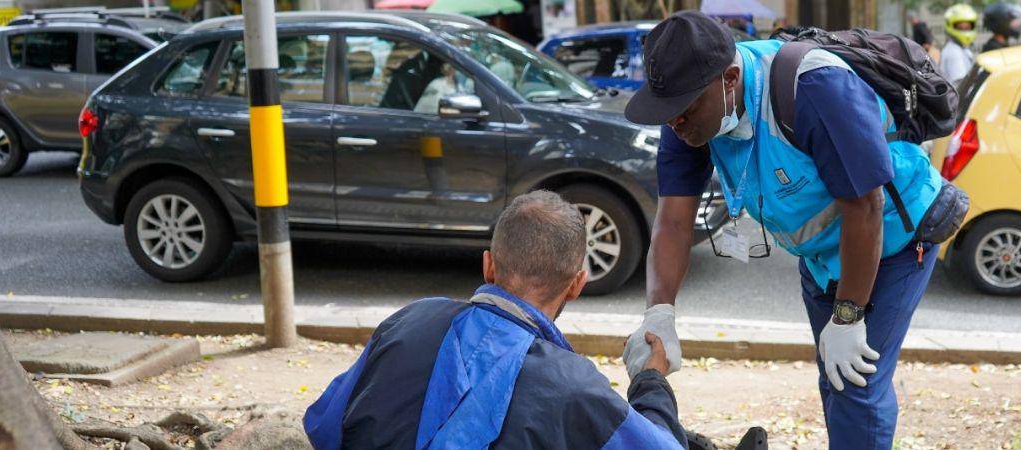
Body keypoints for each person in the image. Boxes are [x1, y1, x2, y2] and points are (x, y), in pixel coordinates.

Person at [621, 11, 944, 450]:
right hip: (821, 253)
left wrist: (848, 315)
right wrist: (659, 313)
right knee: (834, 375)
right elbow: (675, 220)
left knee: (856, 385)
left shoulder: (814, 88)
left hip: (892, 238)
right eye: (668, 112)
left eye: (684, 109)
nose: (675, 123)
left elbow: (866, 205)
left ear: (730, 79)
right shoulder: (689, 113)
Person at [303, 191, 687, 450]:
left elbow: (323, 423)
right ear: (576, 285)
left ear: (488, 265)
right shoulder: (576, 389)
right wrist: (649, 381)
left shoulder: (409, 321)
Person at [939, 4, 978, 87]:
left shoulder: (962, 48)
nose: (964, 30)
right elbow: (962, 86)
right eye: (960, 27)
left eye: (968, 27)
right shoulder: (954, 52)